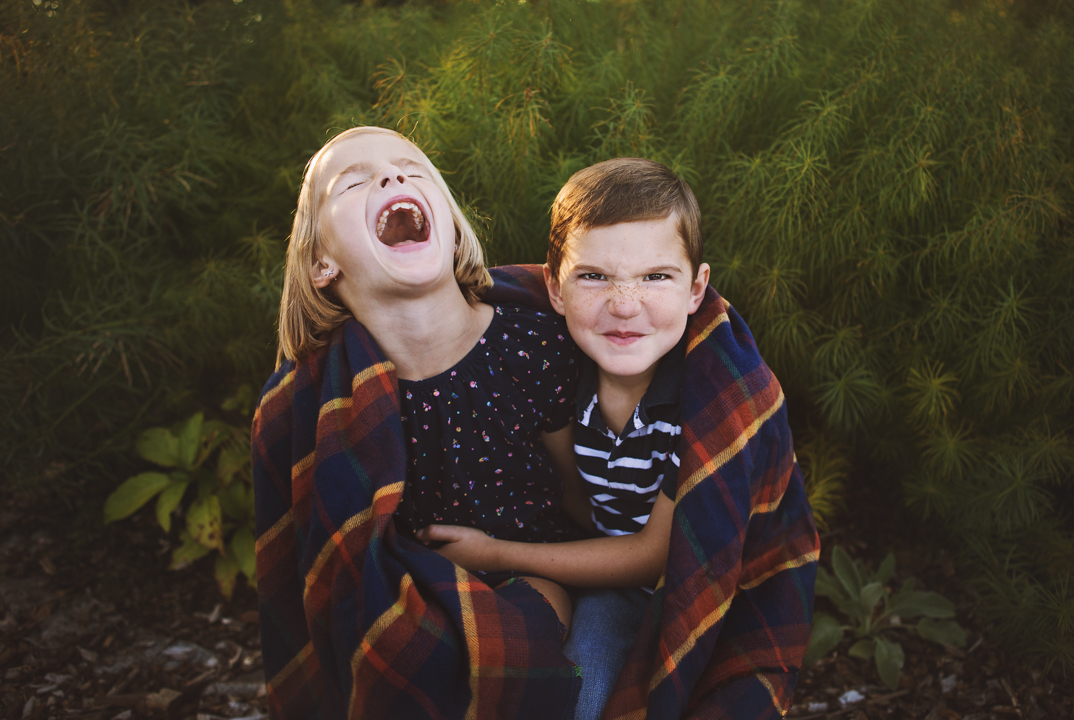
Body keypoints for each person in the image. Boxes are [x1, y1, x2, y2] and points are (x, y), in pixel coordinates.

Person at [419, 158, 820, 719]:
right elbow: (561, 486)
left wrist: (494, 551)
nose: (624, 304)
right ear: (554, 286)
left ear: (695, 288)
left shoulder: (707, 402)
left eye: (656, 277)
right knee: (470, 673)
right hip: (566, 550)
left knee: (579, 699)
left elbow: (650, 557)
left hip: (660, 586)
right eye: (594, 276)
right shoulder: (551, 362)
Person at [253, 126, 587, 719]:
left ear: (451, 225)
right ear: (320, 262)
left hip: (545, 582)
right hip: (410, 603)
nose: (391, 177)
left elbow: (586, 509)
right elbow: (339, 564)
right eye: (354, 182)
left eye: (412, 169)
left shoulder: (529, 346)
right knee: (403, 667)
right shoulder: (326, 404)